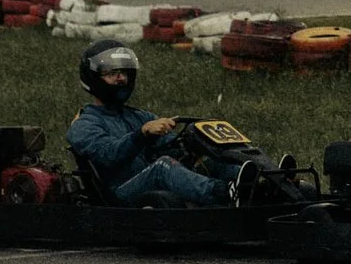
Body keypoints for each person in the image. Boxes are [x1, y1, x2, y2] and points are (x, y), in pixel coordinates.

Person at [66, 39, 266, 207]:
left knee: (212, 161)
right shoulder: (84, 124)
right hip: (120, 194)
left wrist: (189, 148)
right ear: (93, 78)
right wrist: (142, 134)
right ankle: (224, 193)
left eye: (124, 73)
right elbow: (109, 156)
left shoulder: (139, 116)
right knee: (163, 167)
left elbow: (170, 149)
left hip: (152, 184)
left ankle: (262, 187)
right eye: (112, 73)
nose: (121, 79)